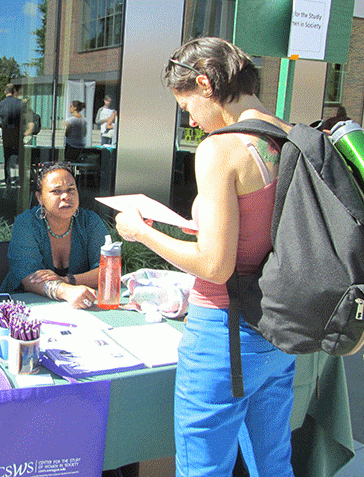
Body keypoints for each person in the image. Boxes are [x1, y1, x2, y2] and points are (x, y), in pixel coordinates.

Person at [115, 37, 296, 476]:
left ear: (204, 83)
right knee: (272, 462)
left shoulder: (221, 148)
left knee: (203, 468)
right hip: (281, 327)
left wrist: (141, 233)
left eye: (187, 106)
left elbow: (217, 265)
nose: (191, 120)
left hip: (224, 330)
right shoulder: (290, 138)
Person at [0, 162, 108, 308]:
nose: (65, 196)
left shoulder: (90, 221)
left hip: (81, 308)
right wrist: (65, 291)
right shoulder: (26, 223)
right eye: (56, 191)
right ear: (40, 197)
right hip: (24, 307)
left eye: (71, 190)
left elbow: (108, 272)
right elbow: (28, 277)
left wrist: (67, 280)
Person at [0, 84, 34, 186]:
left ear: (5, 92)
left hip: (7, 135)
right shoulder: (21, 103)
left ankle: (8, 181)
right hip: (18, 134)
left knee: (7, 159)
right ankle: (22, 180)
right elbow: (30, 121)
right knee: (21, 159)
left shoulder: (0, 104)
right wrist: (25, 133)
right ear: (14, 91)